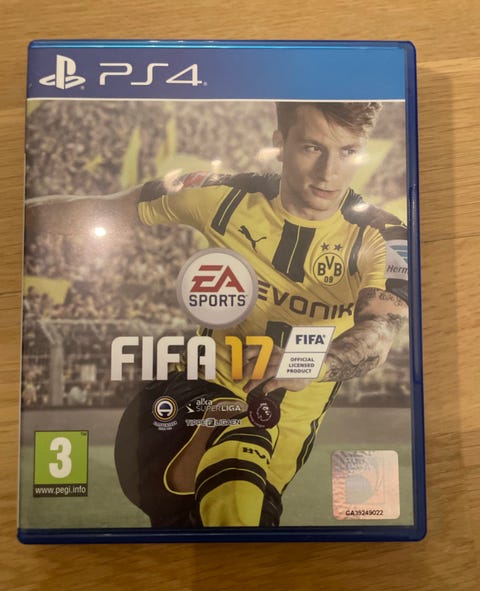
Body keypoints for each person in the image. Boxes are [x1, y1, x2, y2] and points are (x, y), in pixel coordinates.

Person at [26, 101, 409, 528]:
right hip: (192, 409)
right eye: (312, 148)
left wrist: (311, 362)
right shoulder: (222, 195)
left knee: (218, 539)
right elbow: (99, 210)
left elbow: (381, 330)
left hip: (281, 446)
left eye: (348, 152)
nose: (329, 173)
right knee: (238, 444)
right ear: (280, 143)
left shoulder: (385, 236)